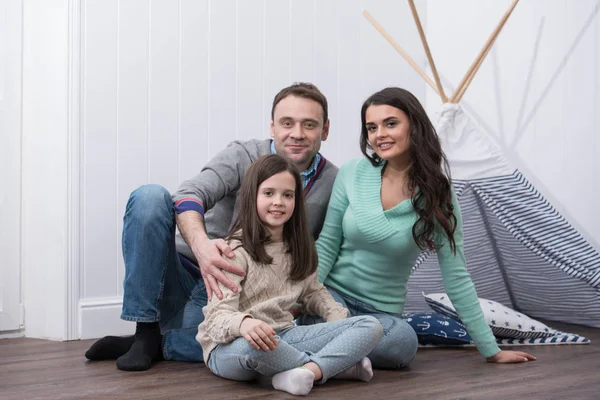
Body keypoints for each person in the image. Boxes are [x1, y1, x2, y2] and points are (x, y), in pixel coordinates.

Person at [84, 83, 338, 371]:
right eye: (287, 123)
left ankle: (159, 344)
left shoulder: (333, 182)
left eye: (309, 125)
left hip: (237, 298)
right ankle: (145, 329)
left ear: (325, 130)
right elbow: (189, 195)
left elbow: (321, 251)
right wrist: (202, 248)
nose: (297, 133)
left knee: (255, 342)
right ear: (272, 126)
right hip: (182, 274)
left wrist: (300, 301)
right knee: (149, 197)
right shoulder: (242, 155)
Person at [301, 87, 536, 368]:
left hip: (382, 315)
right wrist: (303, 297)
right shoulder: (352, 172)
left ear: (414, 125)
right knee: (320, 321)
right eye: (372, 127)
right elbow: (326, 245)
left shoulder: (439, 195)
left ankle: (319, 352)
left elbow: (456, 276)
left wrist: (491, 349)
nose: (380, 135)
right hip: (331, 299)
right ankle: (343, 360)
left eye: (391, 123)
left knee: (403, 344)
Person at [198, 154, 383, 396]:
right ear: (252, 196)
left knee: (370, 325)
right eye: (268, 193)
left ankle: (309, 370)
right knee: (253, 347)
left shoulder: (300, 249)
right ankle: (333, 367)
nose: (278, 202)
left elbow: (313, 292)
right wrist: (244, 323)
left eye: (287, 195)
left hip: (283, 336)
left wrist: (336, 318)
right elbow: (216, 317)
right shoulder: (233, 251)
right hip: (230, 346)